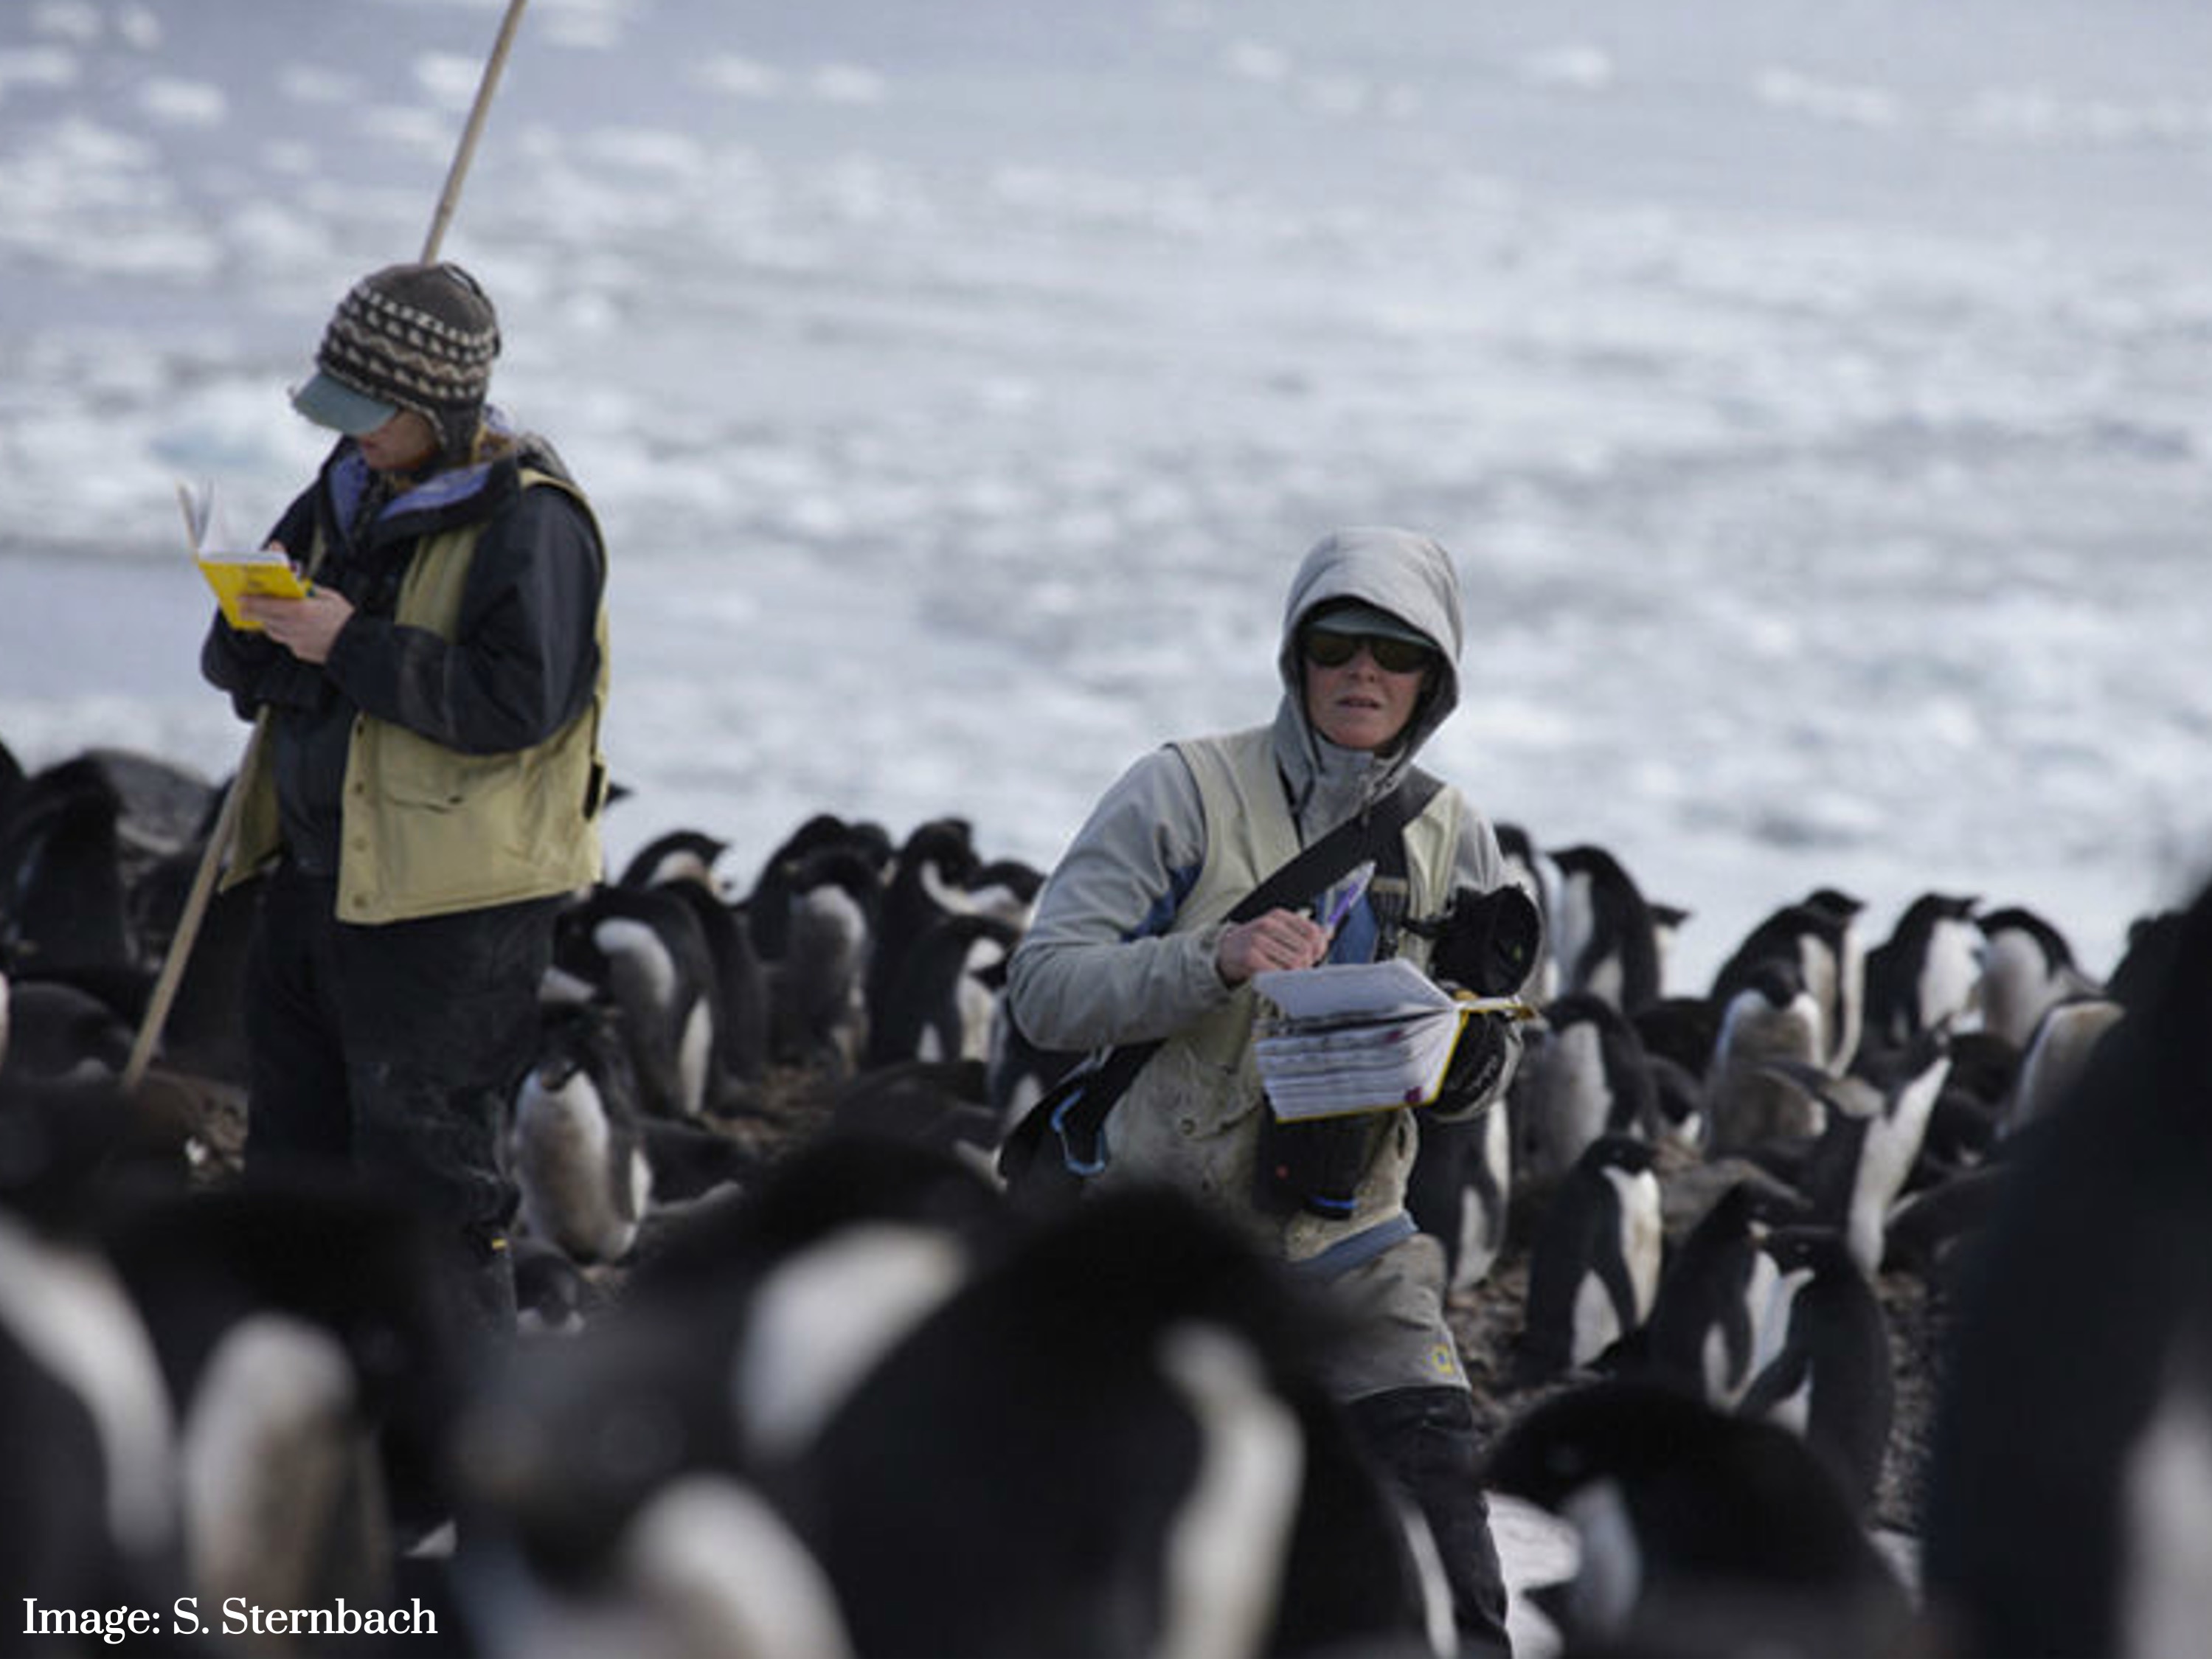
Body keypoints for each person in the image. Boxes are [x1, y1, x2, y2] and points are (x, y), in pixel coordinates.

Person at [1005, 525, 1534, 1657]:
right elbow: (1042, 990)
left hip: (1357, 1256)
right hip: (1160, 1252)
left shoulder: (1456, 835)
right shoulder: (1182, 791)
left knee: (1453, 1584)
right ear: (1296, 656)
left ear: (1432, 678)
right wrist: (1214, 958)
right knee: (1128, 1596)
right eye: (1337, 641)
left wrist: (1461, 1052)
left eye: (1395, 654)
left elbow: (1476, 1083)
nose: (1363, 672)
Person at [201, 261, 610, 1340]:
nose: (353, 435)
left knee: (432, 1197)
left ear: (438, 406)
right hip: (317, 881)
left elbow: (519, 702)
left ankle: (460, 1463)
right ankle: (313, 1419)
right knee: (293, 1177)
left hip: (450, 923)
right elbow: (263, 670)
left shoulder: (533, 525)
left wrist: (350, 642)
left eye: (371, 415)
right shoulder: (348, 483)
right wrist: (255, 628)